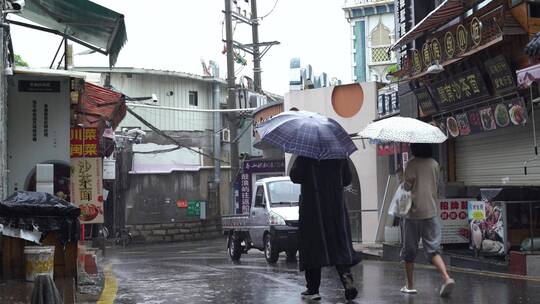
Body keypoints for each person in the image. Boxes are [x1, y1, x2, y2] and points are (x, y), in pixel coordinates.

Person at [290, 156, 361, 301]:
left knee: (313, 247)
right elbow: (347, 179)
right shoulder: (339, 155)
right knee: (339, 248)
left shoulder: (306, 155)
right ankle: (347, 281)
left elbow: (295, 176)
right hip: (336, 208)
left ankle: (313, 289)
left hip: (313, 209)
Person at [401, 143, 455, 297]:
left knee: (409, 250)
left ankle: (410, 285)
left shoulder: (411, 164)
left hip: (413, 213)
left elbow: (406, 187)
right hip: (431, 211)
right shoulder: (434, 164)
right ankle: (446, 278)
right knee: (432, 249)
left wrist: (402, 174)